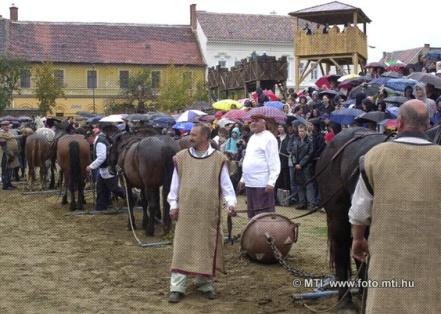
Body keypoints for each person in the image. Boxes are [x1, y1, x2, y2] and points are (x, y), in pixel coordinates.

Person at [349, 99, 441, 313]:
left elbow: (360, 211)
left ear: (398, 122)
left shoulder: (374, 156)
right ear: (428, 125)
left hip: (386, 256)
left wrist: (358, 239)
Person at [167, 124, 237, 303]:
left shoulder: (219, 159)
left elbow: (226, 186)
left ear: (205, 137)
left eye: (194, 135)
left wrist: (231, 203)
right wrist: (173, 204)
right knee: (182, 248)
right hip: (186, 212)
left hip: (208, 213)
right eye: (191, 134)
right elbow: (174, 185)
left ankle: (204, 283)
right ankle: (177, 287)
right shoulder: (181, 158)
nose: (190, 137)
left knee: (205, 247)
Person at [239, 114, 280, 218]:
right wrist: (243, 179)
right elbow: (248, 159)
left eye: (256, 121)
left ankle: (265, 234)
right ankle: (254, 234)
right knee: (252, 215)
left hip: (262, 183)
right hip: (250, 183)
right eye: (251, 121)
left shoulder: (269, 138)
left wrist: (271, 181)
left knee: (263, 216)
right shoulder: (252, 138)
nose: (253, 123)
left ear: (264, 122)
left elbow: (274, 161)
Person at [86, 123, 125, 211]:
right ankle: (100, 207)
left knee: (115, 189)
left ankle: (133, 198)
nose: (87, 142)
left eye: (87, 139)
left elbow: (102, 157)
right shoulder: (99, 140)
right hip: (103, 170)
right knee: (101, 188)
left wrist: (91, 167)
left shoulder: (99, 142)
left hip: (108, 169)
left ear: (91, 137)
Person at [289, 123, 318, 209]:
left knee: (309, 185)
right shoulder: (296, 141)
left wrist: (301, 164)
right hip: (297, 166)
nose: (300, 133)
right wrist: (295, 164)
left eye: (302, 131)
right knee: (299, 185)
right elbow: (292, 154)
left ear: (306, 131)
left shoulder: (310, 141)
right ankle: (302, 203)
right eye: (299, 131)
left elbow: (310, 154)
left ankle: (311, 203)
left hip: (307, 166)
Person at [0, 121, 19, 190]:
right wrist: (10, 154)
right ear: (1, 126)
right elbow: (3, 146)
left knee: (10, 169)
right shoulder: (1, 134)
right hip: (5, 155)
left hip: (12, 154)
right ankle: (5, 185)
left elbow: (14, 138)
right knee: (5, 170)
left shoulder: (9, 133)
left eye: (7, 125)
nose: (7, 126)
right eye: (5, 125)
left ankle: (9, 183)